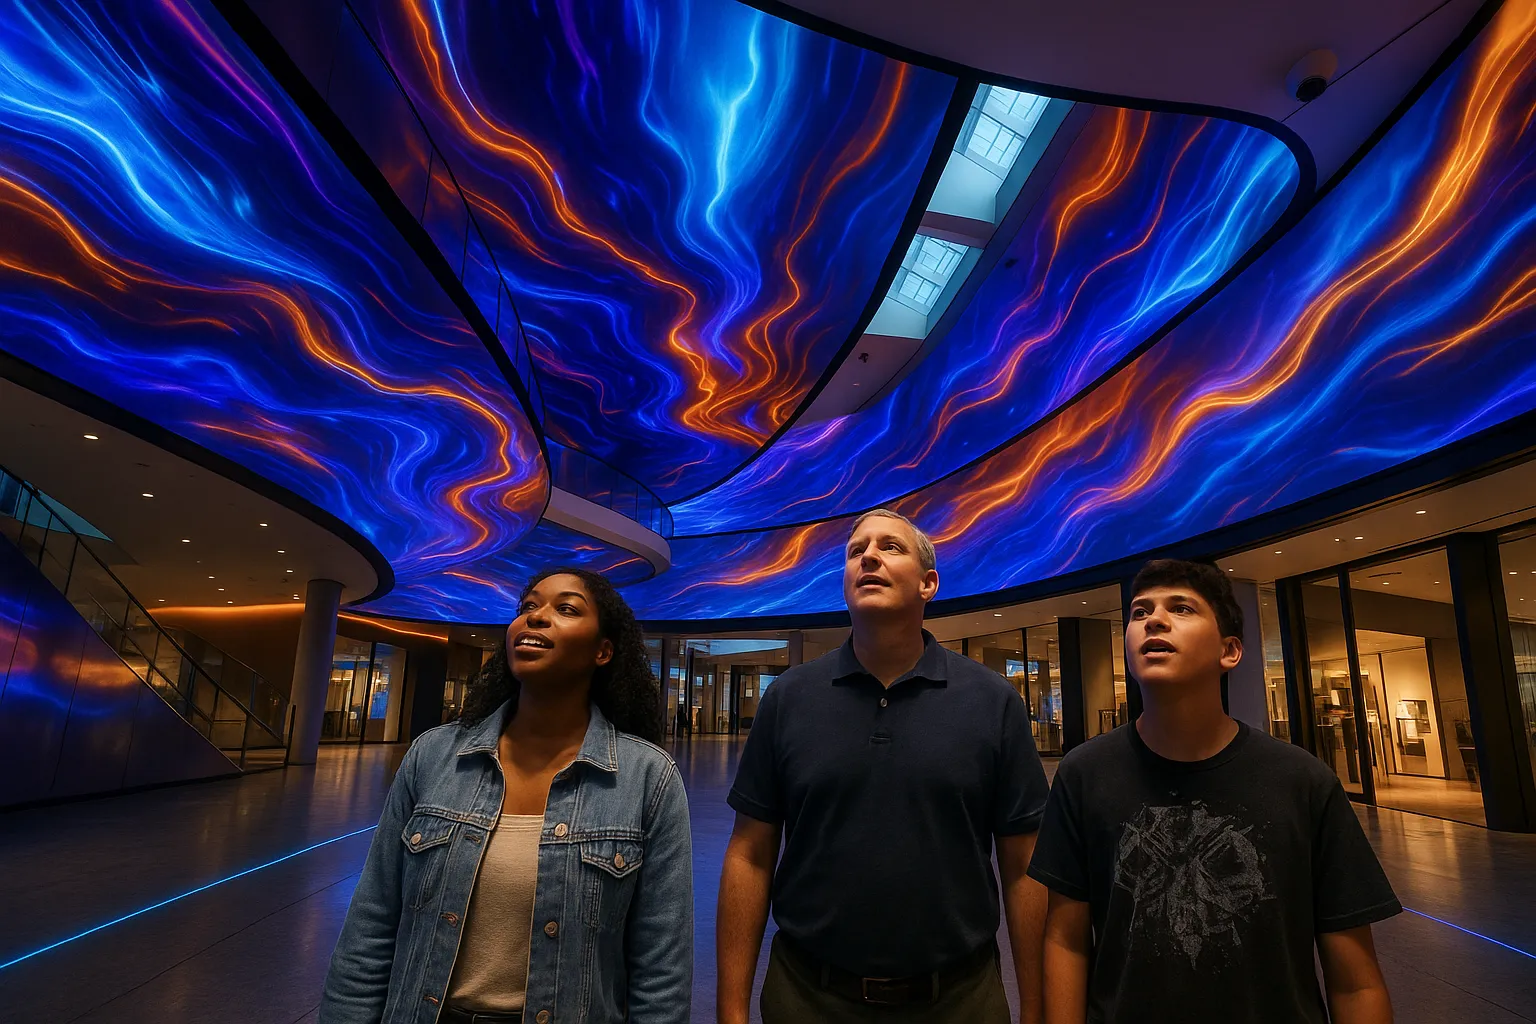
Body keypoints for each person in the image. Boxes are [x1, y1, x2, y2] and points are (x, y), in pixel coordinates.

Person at [1030, 559, 1400, 1024]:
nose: (1154, 621)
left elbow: (1357, 982)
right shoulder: (1084, 773)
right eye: (1140, 613)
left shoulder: (1302, 780)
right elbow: (1065, 940)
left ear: (1230, 651)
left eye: (1182, 608)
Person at [717, 508, 1051, 1023]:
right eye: (856, 551)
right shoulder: (789, 699)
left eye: (890, 547)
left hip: (961, 1001)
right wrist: (731, 1009)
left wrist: (1038, 1009)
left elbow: (1023, 862)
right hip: (808, 998)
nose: (868, 555)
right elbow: (750, 854)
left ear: (928, 583)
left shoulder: (992, 701)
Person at [321, 568, 693, 1024]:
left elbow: (661, 968)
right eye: (528, 606)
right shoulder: (434, 756)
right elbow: (372, 921)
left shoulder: (647, 779)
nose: (535, 618)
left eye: (566, 608)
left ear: (603, 651)